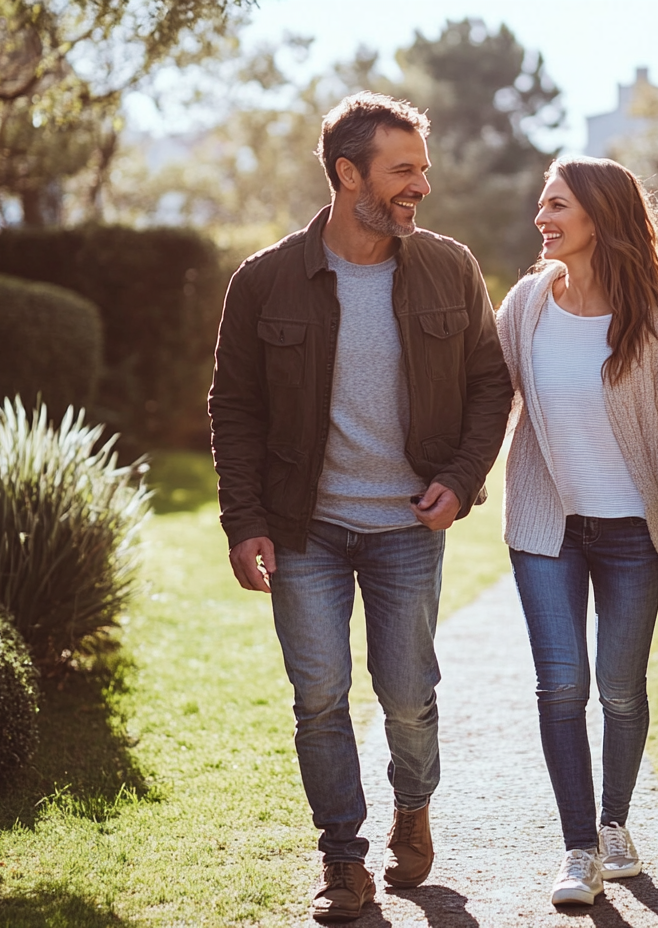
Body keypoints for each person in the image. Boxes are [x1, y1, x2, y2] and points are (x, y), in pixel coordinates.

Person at [208, 92, 512, 923]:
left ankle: (412, 806)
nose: (422, 186)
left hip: (407, 524)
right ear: (349, 175)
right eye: (403, 170)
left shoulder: (449, 266)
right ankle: (343, 859)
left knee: (408, 693)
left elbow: (490, 384)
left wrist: (463, 477)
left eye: (424, 169)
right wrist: (245, 521)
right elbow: (234, 408)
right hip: (302, 528)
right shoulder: (265, 280)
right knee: (318, 696)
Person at [495, 156, 658, 906]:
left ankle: (615, 824)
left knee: (620, 689)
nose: (541, 217)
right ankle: (579, 849)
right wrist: (454, 474)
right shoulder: (525, 305)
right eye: (542, 204)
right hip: (545, 527)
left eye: (556, 204)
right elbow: (486, 398)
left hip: (631, 533)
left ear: (599, 214)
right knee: (562, 685)